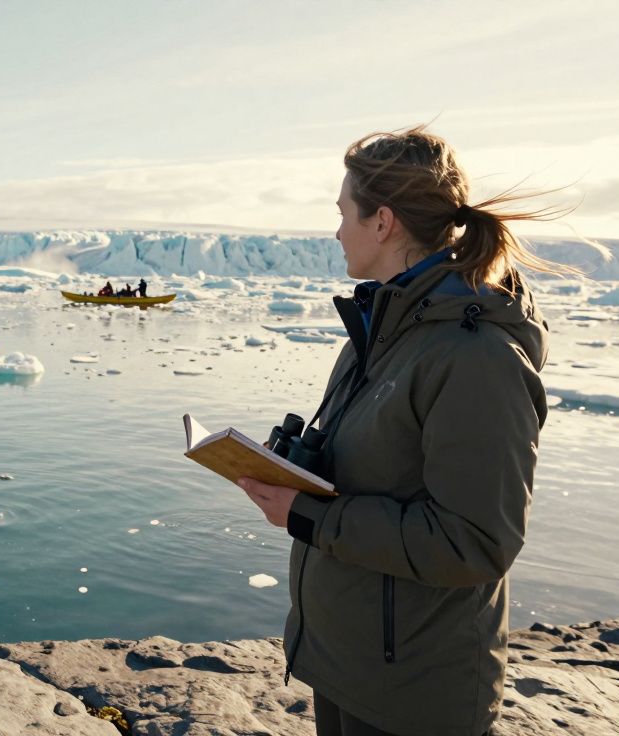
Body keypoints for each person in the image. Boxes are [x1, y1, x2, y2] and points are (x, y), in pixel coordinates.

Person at [236, 126, 573, 736]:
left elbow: (474, 542)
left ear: (383, 222)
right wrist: (291, 470)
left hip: (415, 694)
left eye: (344, 213)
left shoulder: (476, 358)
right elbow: (379, 464)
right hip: (348, 666)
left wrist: (309, 515)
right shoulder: (384, 328)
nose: (337, 230)